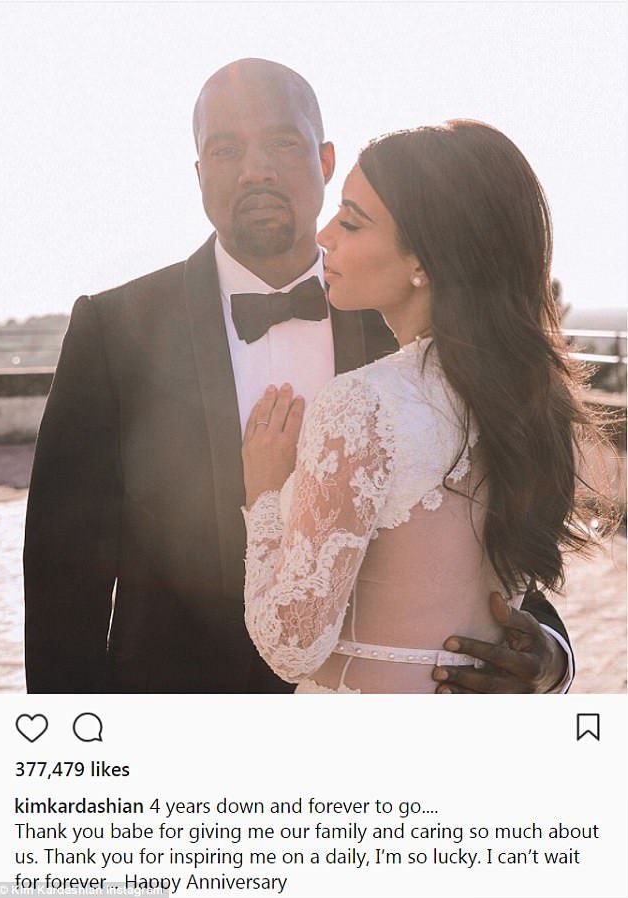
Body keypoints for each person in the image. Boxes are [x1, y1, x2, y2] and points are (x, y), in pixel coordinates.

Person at [24, 59, 572, 693]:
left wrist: (550, 654)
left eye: (282, 142)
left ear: (326, 160)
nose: (255, 168)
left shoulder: (411, 324)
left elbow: (501, 524)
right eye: (226, 149)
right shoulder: (113, 328)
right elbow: (64, 567)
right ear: (199, 176)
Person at [240, 119, 602, 693]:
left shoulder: (361, 404)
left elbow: (290, 645)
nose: (325, 235)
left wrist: (262, 498)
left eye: (353, 221)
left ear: (425, 262)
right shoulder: (527, 395)